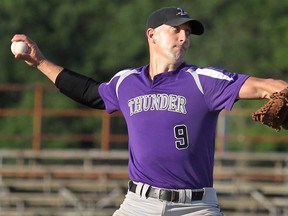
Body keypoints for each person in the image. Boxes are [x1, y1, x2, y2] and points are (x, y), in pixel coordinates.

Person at [11, 6, 288, 216]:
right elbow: (88, 92)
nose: (184, 37)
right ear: (152, 35)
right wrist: (39, 62)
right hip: (138, 204)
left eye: (188, 32)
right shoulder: (127, 82)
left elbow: (270, 87)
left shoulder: (203, 81)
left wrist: (282, 92)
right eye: (176, 29)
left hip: (196, 207)